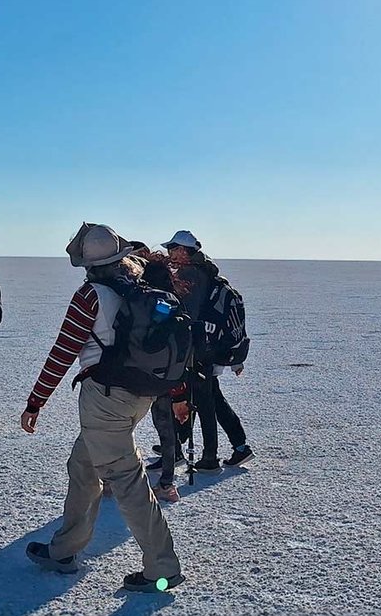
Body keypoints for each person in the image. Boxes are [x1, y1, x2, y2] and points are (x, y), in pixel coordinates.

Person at [20, 223, 183, 591]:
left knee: (127, 480)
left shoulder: (90, 296)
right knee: (82, 464)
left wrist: (35, 402)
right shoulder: (139, 286)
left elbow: (62, 353)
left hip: (105, 399)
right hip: (139, 395)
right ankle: (63, 549)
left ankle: (162, 568)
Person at [165, 230, 253, 471]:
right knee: (212, 398)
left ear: (184, 251)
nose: (169, 253)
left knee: (204, 402)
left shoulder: (192, 275)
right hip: (210, 346)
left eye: (173, 249)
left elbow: (188, 314)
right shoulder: (206, 272)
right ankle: (239, 446)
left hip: (200, 349)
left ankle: (209, 457)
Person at [141, 251, 194, 502]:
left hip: (142, 376)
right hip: (170, 376)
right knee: (166, 430)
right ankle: (167, 483)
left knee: (122, 426)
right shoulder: (177, 302)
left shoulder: (150, 303)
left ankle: (111, 481)